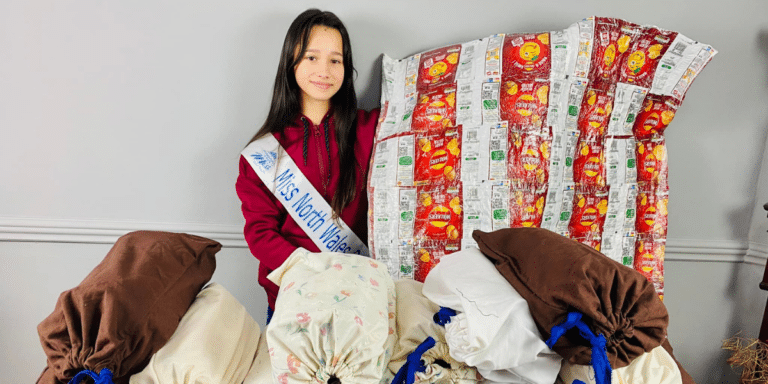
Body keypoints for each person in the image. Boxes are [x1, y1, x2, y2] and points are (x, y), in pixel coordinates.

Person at [236, 9, 379, 323]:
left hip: (360, 294)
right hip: (294, 296)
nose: (324, 71)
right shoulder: (262, 154)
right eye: (311, 57)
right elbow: (260, 234)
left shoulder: (371, 129)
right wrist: (314, 276)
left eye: (335, 60)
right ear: (292, 62)